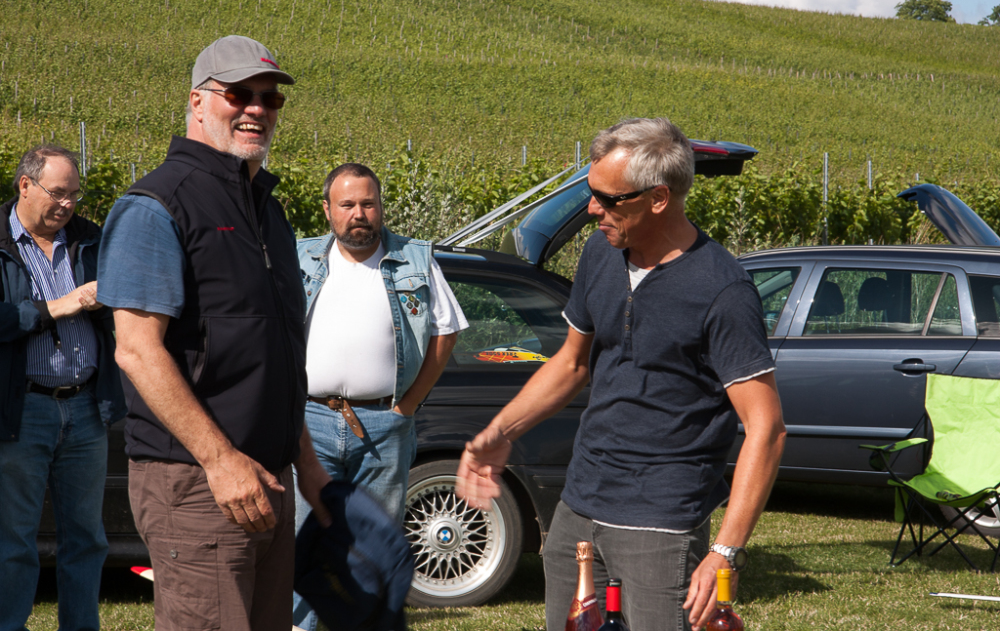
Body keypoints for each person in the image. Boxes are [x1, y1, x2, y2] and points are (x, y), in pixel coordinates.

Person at [456, 118, 786, 631]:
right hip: (579, 506)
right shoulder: (600, 254)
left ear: (658, 198)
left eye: (608, 199)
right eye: (591, 193)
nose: (593, 210)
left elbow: (766, 428)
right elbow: (571, 363)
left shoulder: (723, 291)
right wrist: (499, 433)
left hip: (661, 522)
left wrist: (725, 551)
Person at [96, 36, 331, 631]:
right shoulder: (157, 204)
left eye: (270, 98)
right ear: (198, 101)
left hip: (268, 478)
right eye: (239, 94)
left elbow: (270, 361)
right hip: (199, 480)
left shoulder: (268, 210)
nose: (257, 108)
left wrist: (307, 465)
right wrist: (220, 460)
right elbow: (136, 350)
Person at [293, 162, 467, 630]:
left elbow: (446, 331)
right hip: (309, 425)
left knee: (374, 550)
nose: (359, 214)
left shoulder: (415, 258)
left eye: (368, 204)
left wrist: (406, 407)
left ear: (381, 208)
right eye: (347, 204)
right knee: (301, 543)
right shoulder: (300, 258)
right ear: (327, 210)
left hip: (384, 429)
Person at [0, 145, 125, 631]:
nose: (68, 204)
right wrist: (58, 306)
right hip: (22, 409)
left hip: (86, 408)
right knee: (14, 541)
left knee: (87, 539)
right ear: (25, 185)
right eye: (58, 193)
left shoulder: (91, 240)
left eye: (75, 194)